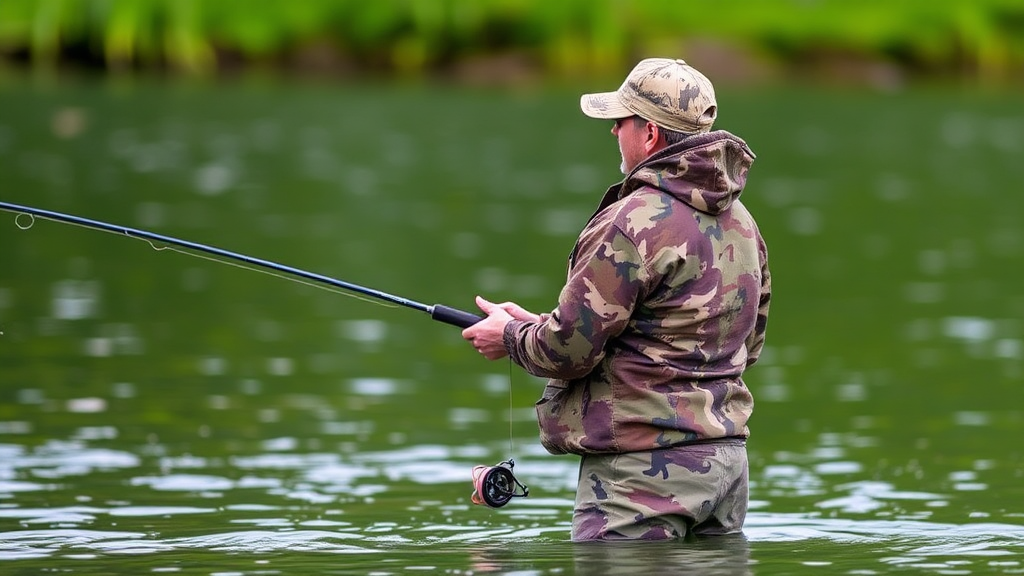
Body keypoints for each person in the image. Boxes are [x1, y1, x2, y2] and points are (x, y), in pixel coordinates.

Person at [462, 57, 771, 541]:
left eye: (620, 120)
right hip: (726, 473)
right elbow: (745, 344)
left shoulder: (630, 222)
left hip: (639, 483)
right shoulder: (744, 224)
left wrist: (510, 336)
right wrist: (543, 325)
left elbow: (568, 351)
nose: (613, 132)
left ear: (649, 134)